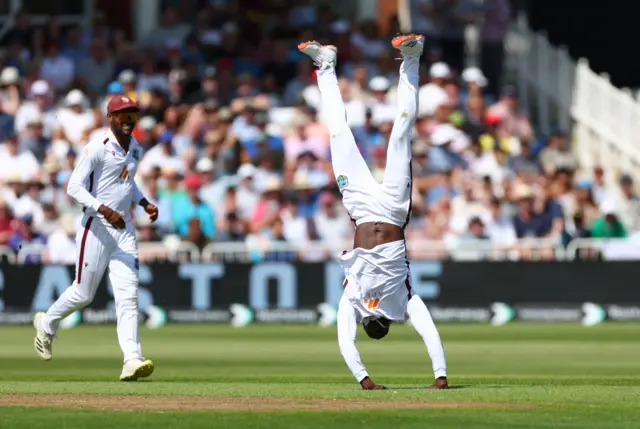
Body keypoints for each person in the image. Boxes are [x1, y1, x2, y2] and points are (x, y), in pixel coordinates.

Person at [298, 34, 448, 390]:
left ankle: (326, 66)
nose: (377, 322)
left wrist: (364, 379)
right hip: (395, 212)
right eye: (380, 326)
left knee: (337, 134)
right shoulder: (404, 302)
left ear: (368, 324)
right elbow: (428, 329)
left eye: (373, 326)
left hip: (361, 209)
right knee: (399, 136)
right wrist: (439, 376)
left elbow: (343, 339)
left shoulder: (353, 298)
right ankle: (411, 60)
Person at [32, 95, 159, 382]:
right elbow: (73, 187)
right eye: (123, 114)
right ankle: (47, 322)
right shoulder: (98, 148)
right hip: (97, 227)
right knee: (83, 293)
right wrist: (104, 209)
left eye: (132, 114)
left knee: (128, 297)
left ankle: (131, 359)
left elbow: (127, 181)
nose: (128, 119)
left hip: (124, 230)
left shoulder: (135, 148)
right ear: (110, 118)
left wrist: (143, 202)